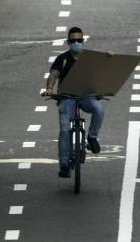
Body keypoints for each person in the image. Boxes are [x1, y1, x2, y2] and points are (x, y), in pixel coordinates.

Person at [43, 26, 105, 178]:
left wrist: (109, 58)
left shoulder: (90, 59)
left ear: (83, 41)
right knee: (65, 130)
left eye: (80, 40)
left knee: (99, 108)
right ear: (68, 42)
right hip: (67, 98)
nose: (77, 43)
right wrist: (50, 88)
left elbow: (103, 72)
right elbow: (53, 75)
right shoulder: (62, 59)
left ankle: (92, 137)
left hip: (87, 96)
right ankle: (64, 165)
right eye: (74, 40)